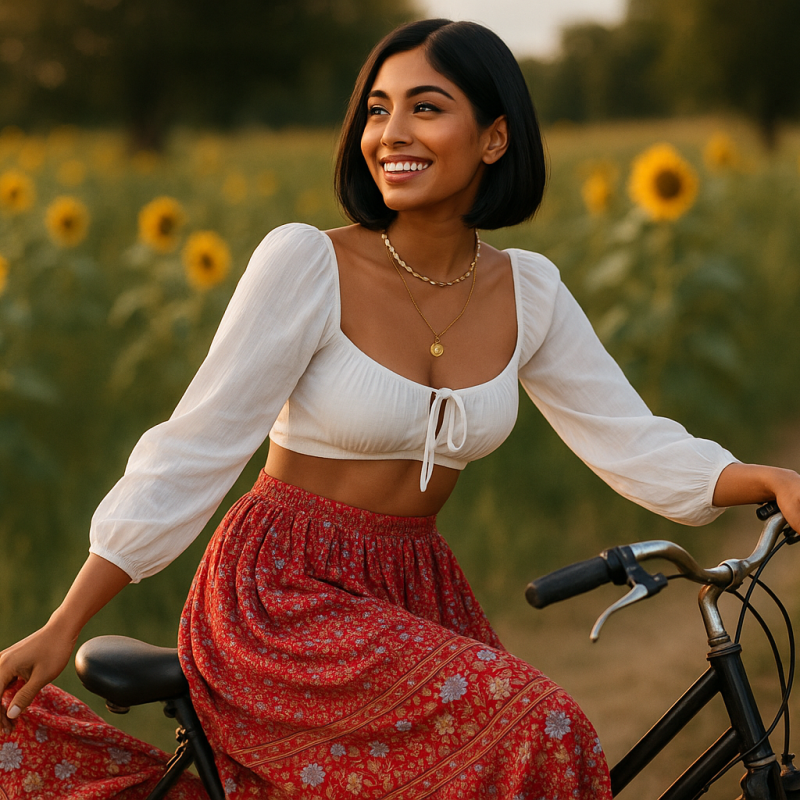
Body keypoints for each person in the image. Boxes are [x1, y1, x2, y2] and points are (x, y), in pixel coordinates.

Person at [2, 17, 800, 799]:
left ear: (494, 138)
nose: (391, 134)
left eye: (425, 107)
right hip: (280, 593)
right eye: (377, 110)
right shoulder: (308, 261)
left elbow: (629, 438)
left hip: (415, 584)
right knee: (543, 728)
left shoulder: (529, 289)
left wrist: (767, 479)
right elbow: (195, 447)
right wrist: (66, 620)